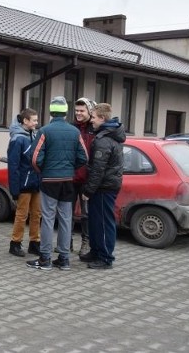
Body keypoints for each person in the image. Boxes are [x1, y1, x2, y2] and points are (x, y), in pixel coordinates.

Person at [26, 96, 88, 271]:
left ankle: (45, 259)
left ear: (51, 111)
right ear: (66, 112)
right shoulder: (75, 132)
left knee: (47, 219)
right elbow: (84, 157)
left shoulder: (45, 131)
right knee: (66, 219)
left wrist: (43, 171)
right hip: (68, 181)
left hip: (49, 181)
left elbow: (35, 158)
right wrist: (70, 169)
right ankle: (64, 259)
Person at [80, 103, 125, 269]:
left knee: (104, 223)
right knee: (95, 221)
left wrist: (88, 190)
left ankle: (105, 258)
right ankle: (96, 251)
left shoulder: (104, 140)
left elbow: (98, 169)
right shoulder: (106, 136)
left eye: (93, 117)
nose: (91, 120)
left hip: (104, 187)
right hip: (103, 186)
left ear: (102, 118)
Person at [6, 109, 41, 257]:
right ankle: (15, 243)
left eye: (36, 120)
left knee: (37, 214)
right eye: (34, 120)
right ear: (25, 121)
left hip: (36, 182)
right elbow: (13, 166)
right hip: (24, 184)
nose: (36, 123)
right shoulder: (17, 139)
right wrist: (15, 189)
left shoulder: (34, 135)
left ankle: (34, 243)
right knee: (22, 215)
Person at [72, 97, 97, 257]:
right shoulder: (73, 128)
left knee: (86, 214)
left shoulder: (94, 129)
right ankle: (65, 243)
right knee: (67, 211)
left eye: (82, 111)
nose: (78, 113)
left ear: (89, 111)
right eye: (76, 111)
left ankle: (86, 243)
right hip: (72, 176)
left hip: (87, 178)